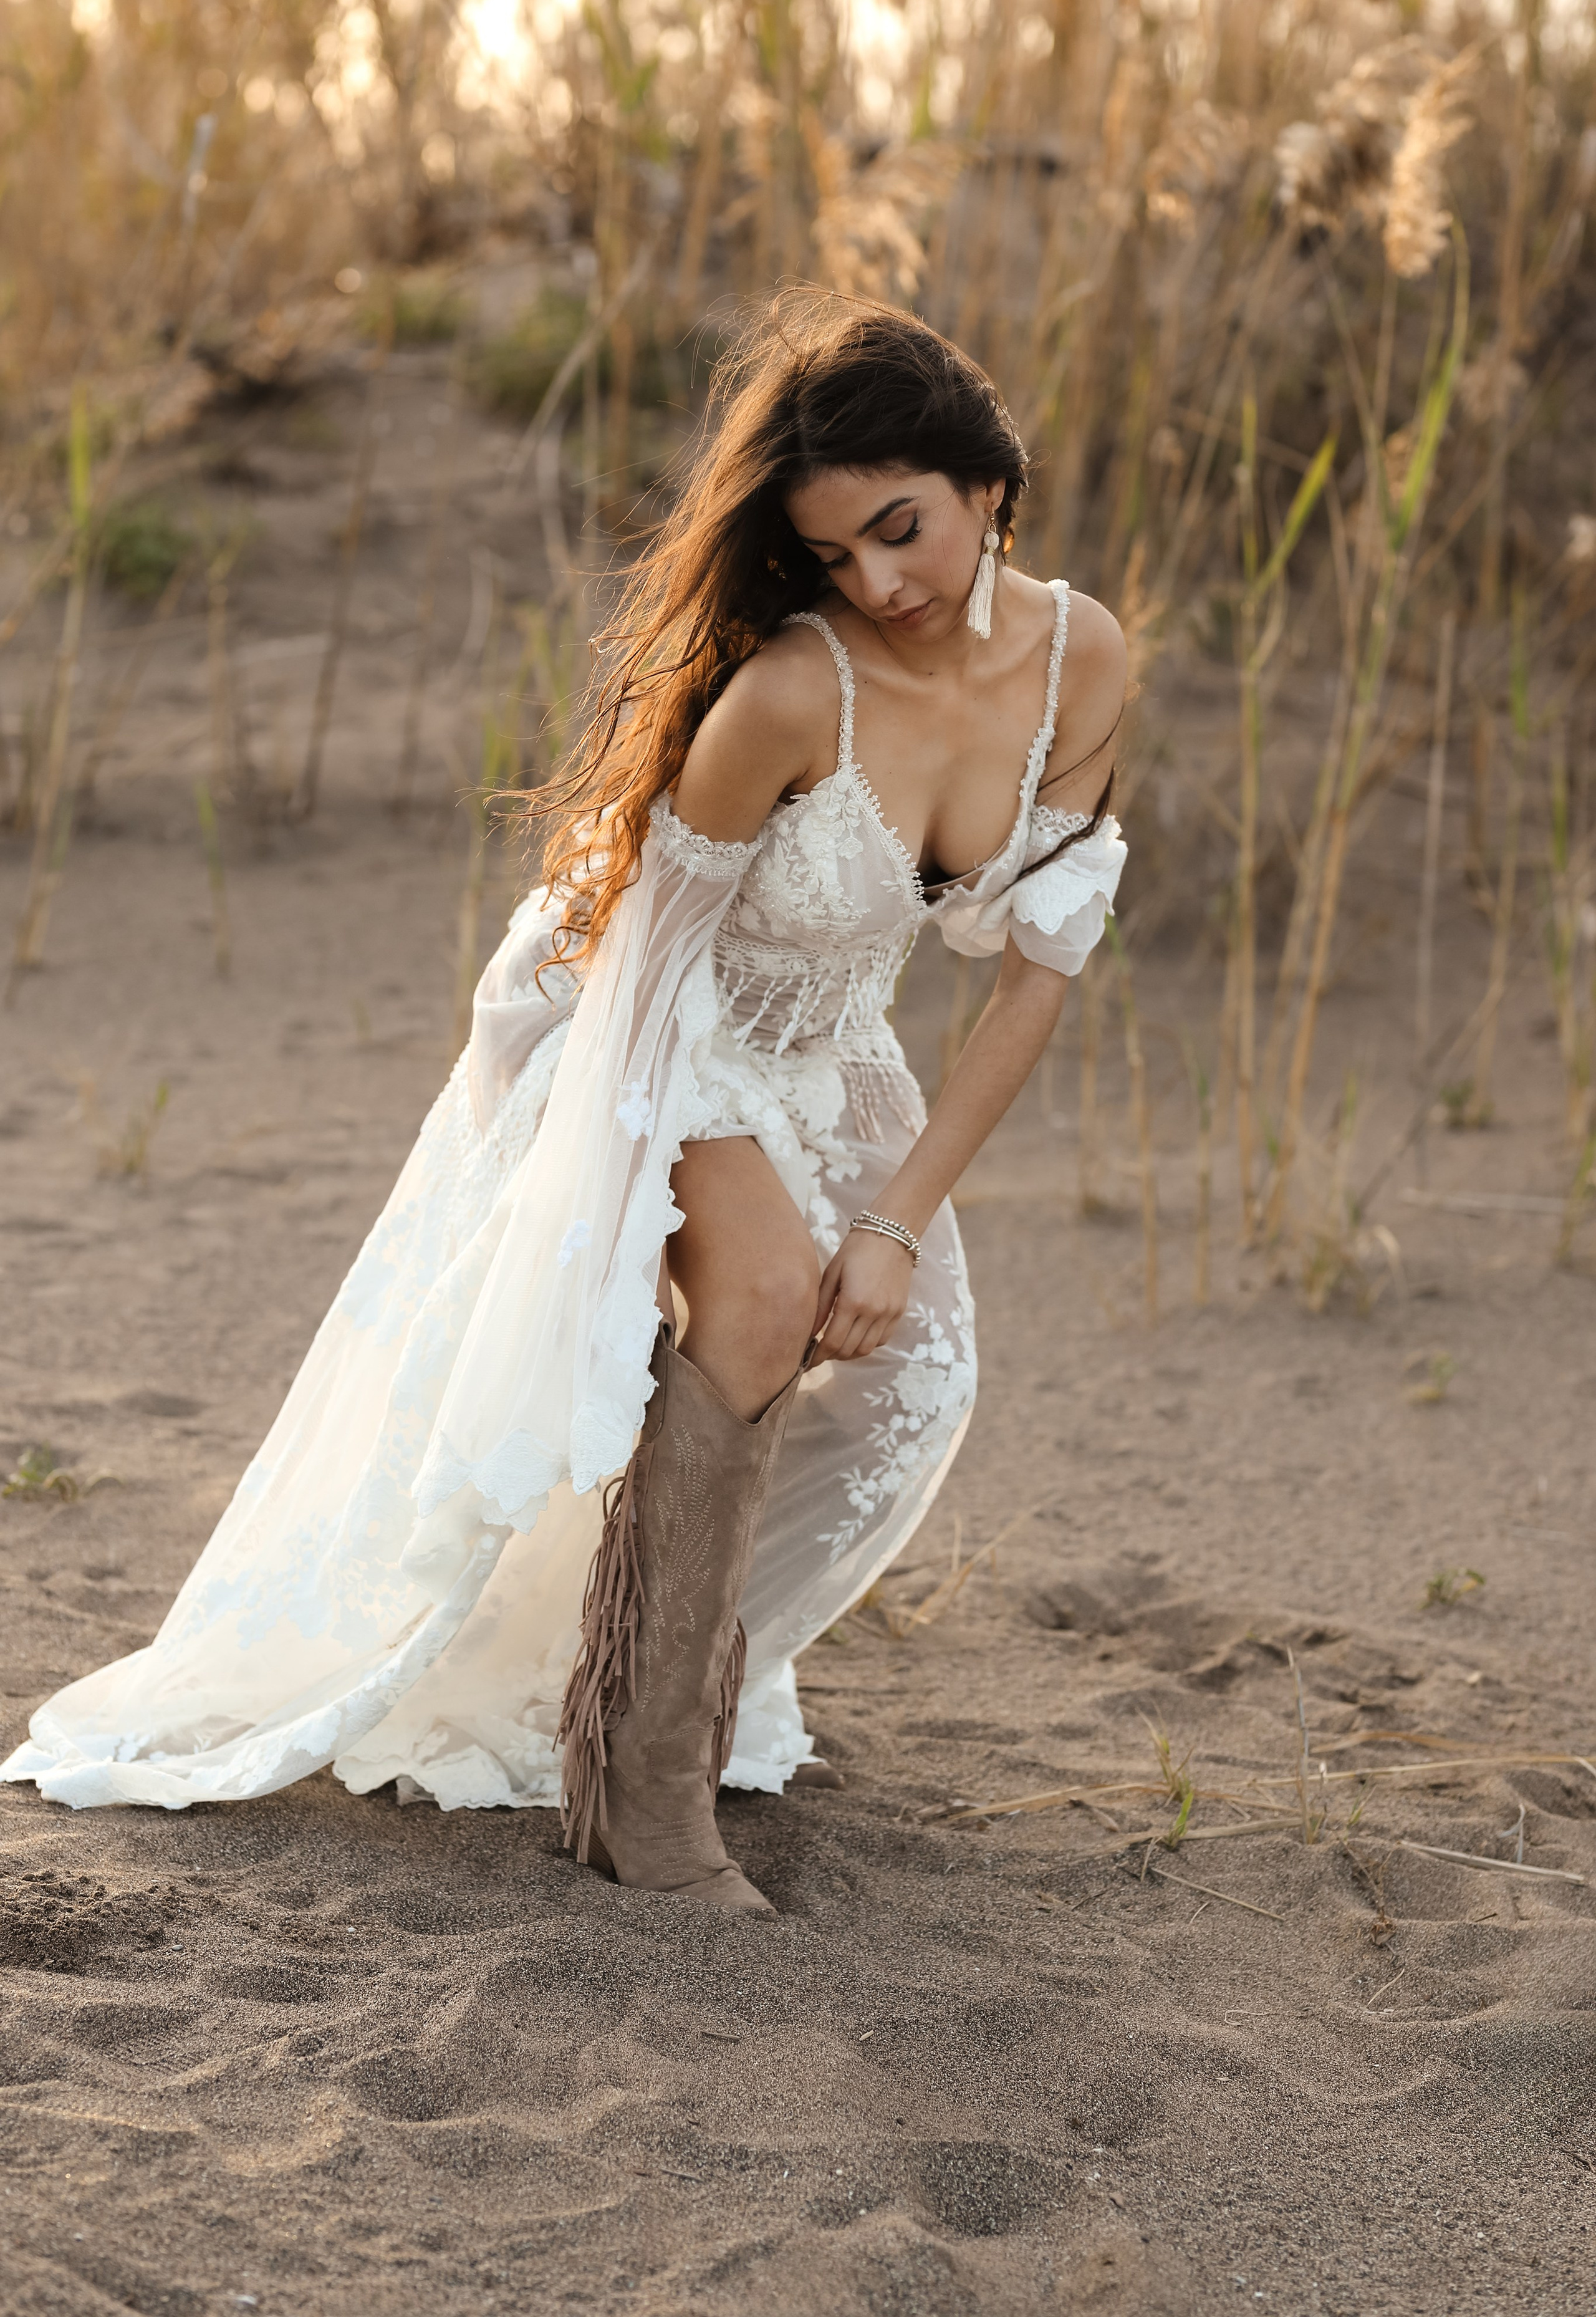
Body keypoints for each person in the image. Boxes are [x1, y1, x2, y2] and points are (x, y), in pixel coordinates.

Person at [2, 293, 1127, 1918]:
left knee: (913, 1379)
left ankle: (630, 1673)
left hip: (823, 1035)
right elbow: (643, 980)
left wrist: (892, 1221)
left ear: (983, 482)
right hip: (635, 1011)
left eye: (904, 529)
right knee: (749, 1305)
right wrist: (625, 1236)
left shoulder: (1082, 657)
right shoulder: (792, 699)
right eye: (836, 558)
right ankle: (641, 1799)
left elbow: (1034, 972)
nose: (884, 583)